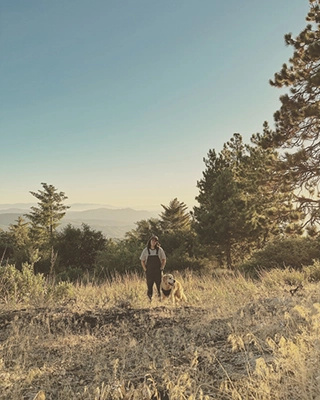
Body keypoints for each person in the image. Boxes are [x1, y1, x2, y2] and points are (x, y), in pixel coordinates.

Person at [140, 235, 166, 301]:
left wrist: (162, 268)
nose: (153, 242)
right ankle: (149, 300)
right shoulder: (146, 250)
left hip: (158, 271)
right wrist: (145, 269)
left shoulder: (160, 250)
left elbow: (164, 259)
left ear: (156, 242)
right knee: (149, 287)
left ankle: (160, 300)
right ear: (150, 241)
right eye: (152, 240)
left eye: (155, 241)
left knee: (159, 286)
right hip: (149, 272)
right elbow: (142, 260)